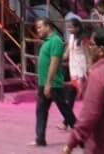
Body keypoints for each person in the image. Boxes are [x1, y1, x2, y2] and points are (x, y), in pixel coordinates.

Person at [31, 18, 75, 147]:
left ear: (48, 26)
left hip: (53, 83)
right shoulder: (46, 41)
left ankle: (81, 135)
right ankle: (40, 139)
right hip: (44, 83)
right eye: (37, 28)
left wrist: (48, 83)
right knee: (41, 111)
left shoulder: (55, 41)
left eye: (40, 27)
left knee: (65, 110)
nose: (38, 30)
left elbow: (54, 63)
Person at [65, 18, 90, 100]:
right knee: (74, 80)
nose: (69, 29)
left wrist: (89, 65)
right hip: (72, 62)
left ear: (77, 28)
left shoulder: (83, 39)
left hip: (81, 63)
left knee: (80, 81)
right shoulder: (71, 37)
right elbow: (67, 52)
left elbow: (87, 54)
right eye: (68, 27)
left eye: (71, 27)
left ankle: (81, 96)